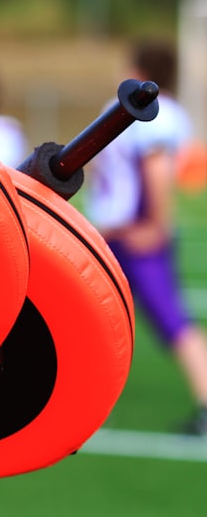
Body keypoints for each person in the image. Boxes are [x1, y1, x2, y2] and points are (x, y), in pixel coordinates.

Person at [86, 40, 207, 436]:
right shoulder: (156, 111)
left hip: (132, 234)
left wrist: (154, 225)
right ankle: (79, 404)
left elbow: (154, 169)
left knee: (170, 321)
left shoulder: (151, 113)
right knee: (98, 322)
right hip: (119, 232)